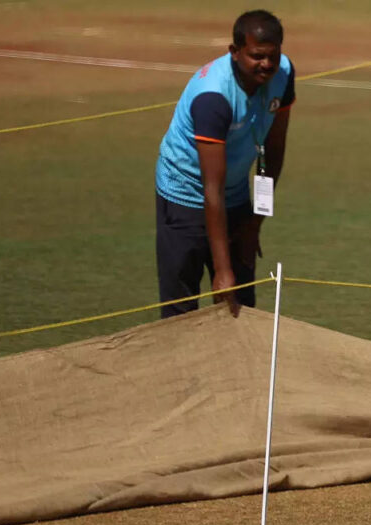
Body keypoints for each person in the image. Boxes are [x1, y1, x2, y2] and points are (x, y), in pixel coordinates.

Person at [155, 9, 295, 318]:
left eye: (273, 55)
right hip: (185, 194)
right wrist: (221, 269)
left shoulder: (283, 74)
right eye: (257, 56)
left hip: (234, 194)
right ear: (234, 52)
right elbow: (211, 188)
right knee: (181, 312)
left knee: (240, 306)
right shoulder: (213, 97)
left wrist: (255, 223)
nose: (267, 65)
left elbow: (275, 150)